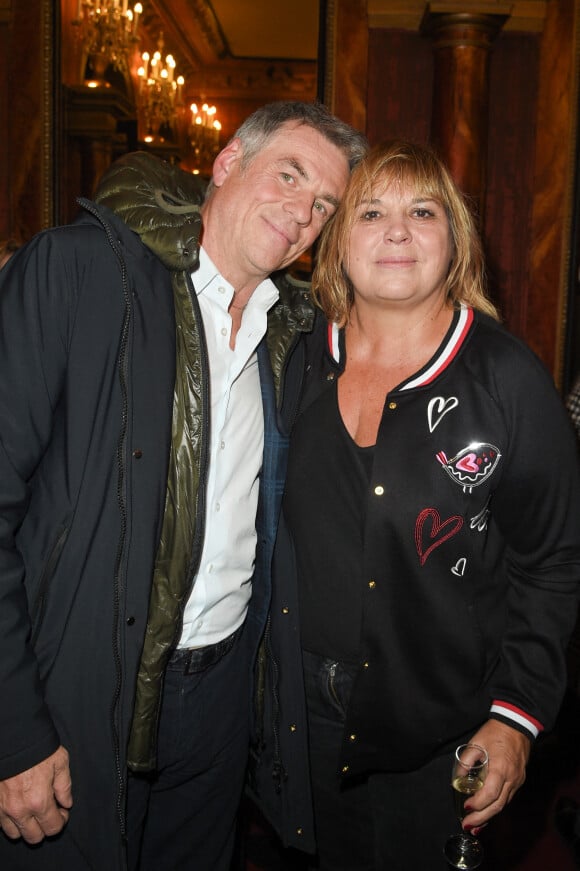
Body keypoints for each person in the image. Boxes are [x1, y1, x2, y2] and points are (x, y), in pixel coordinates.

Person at [0, 101, 367, 871]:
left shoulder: (292, 337)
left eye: (323, 205)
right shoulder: (77, 271)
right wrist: (14, 729)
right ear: (228, 163)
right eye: (290, 175)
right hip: (80, 684)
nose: (303, 212)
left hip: (220, 697)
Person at [253, 140, 580, 870]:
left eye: (422, 210)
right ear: (336, 244)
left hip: (441, 729)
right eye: (371, 211)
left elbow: (553, 562)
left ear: (455, 241)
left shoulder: (509, 380)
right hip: (294, 718)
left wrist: (515, 716)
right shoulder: (293, 356)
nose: (397, 229)